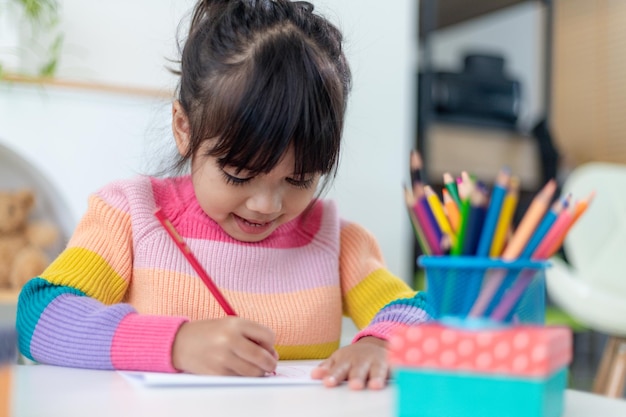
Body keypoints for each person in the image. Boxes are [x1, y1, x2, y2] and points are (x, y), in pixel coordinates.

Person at [15, 0, 429, 390]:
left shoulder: (336, 241)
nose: (267, 205)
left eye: (299, 179)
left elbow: (419, 312)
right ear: (184, 128)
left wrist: (379, 344)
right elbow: (38, 317)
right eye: (238, 174)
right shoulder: (129, 215)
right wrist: (176, 344)